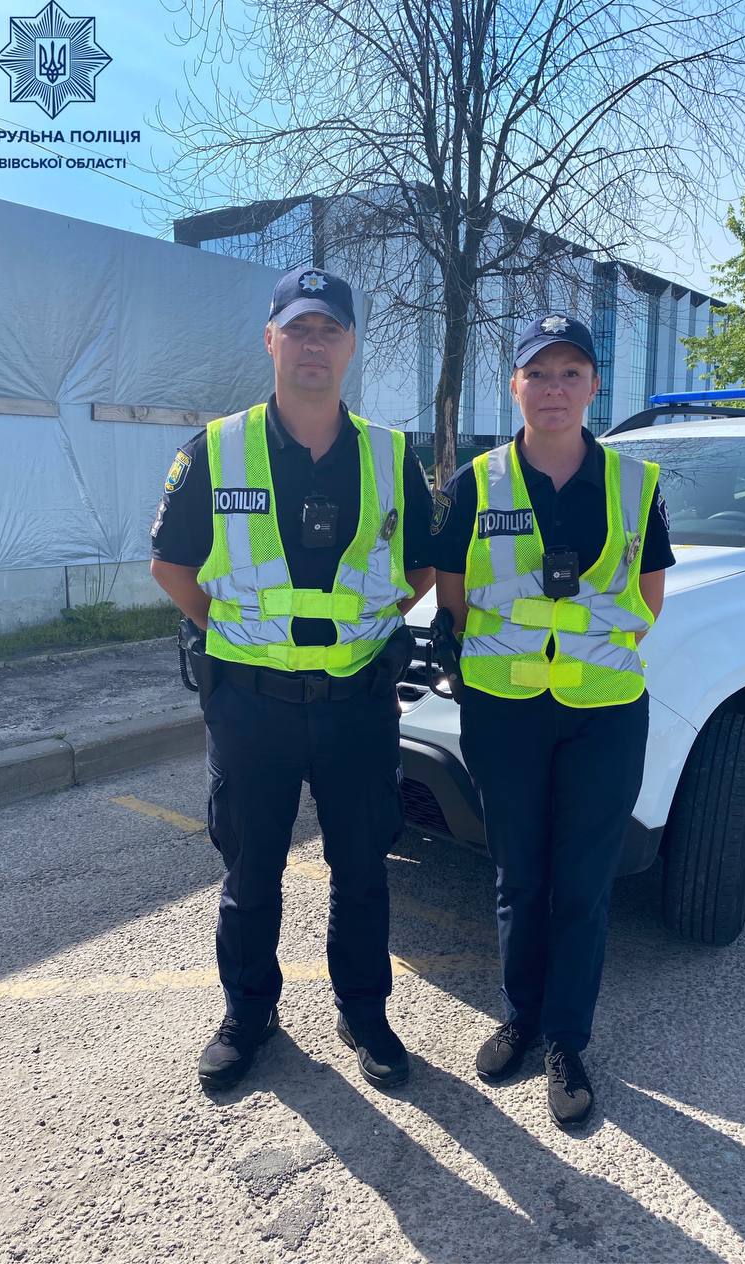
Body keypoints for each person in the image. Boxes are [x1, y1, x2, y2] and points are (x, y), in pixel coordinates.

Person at [149, 266, 434, 1091]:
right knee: (251, 872)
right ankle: (249, 1016)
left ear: (350, 346)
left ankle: (364, 1011)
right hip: (252, 705)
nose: (314, 344)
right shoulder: (215, 449)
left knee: (363, 869)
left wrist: (359, 632)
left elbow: (419, 567)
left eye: (329, 330)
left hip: (356, 703)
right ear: (270, 340)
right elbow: (172, 565)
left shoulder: (391, 454)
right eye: (299, 329)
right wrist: (237, 636)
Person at [431, 313, 674, 1128]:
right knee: (519, 876)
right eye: (538, 373)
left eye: (571, 373)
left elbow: (647, 602)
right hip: (504, 713)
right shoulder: (475, 483)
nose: (554, 389)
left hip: (603, 716)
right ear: (515, 386)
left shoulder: (637, 483)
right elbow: (454, 597)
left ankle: (567, 1040)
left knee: (581, 885)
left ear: (595, 386)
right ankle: (521, 1018)